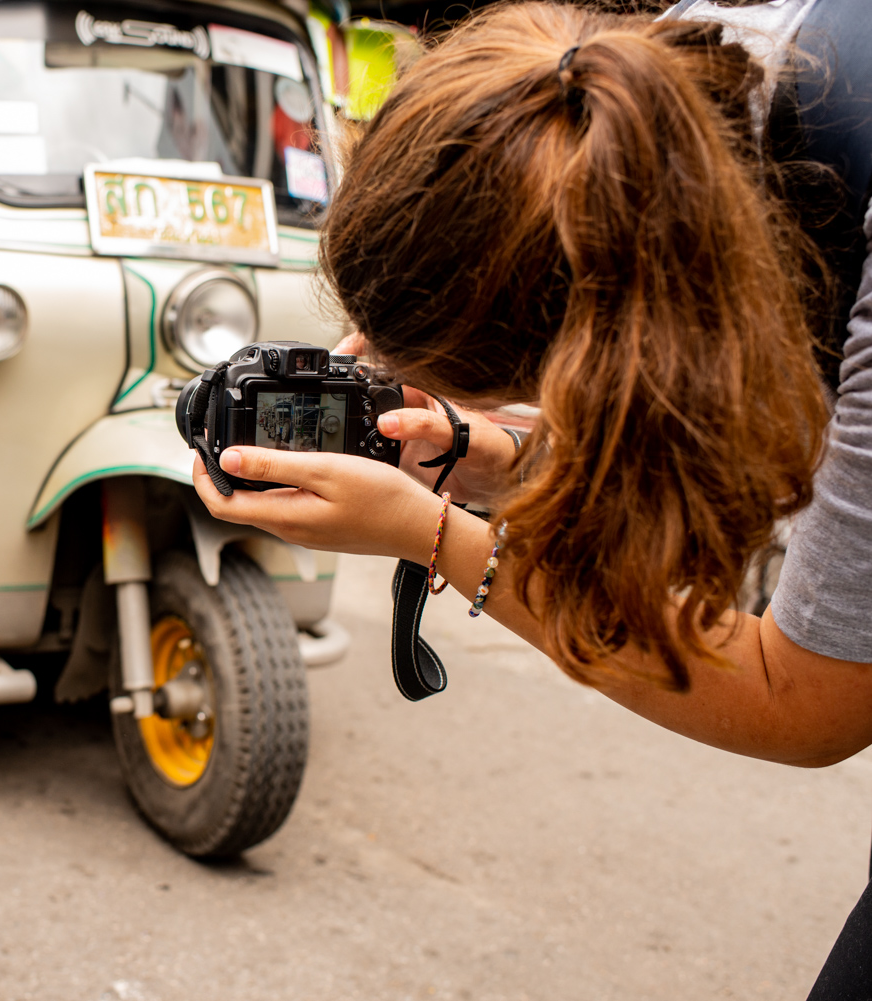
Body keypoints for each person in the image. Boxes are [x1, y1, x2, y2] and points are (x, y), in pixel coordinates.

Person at [189, 2, 872, 995]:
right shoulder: (631, 94)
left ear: (597, 354)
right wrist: (493, 455)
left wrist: (434, 536)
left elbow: (804, 698)